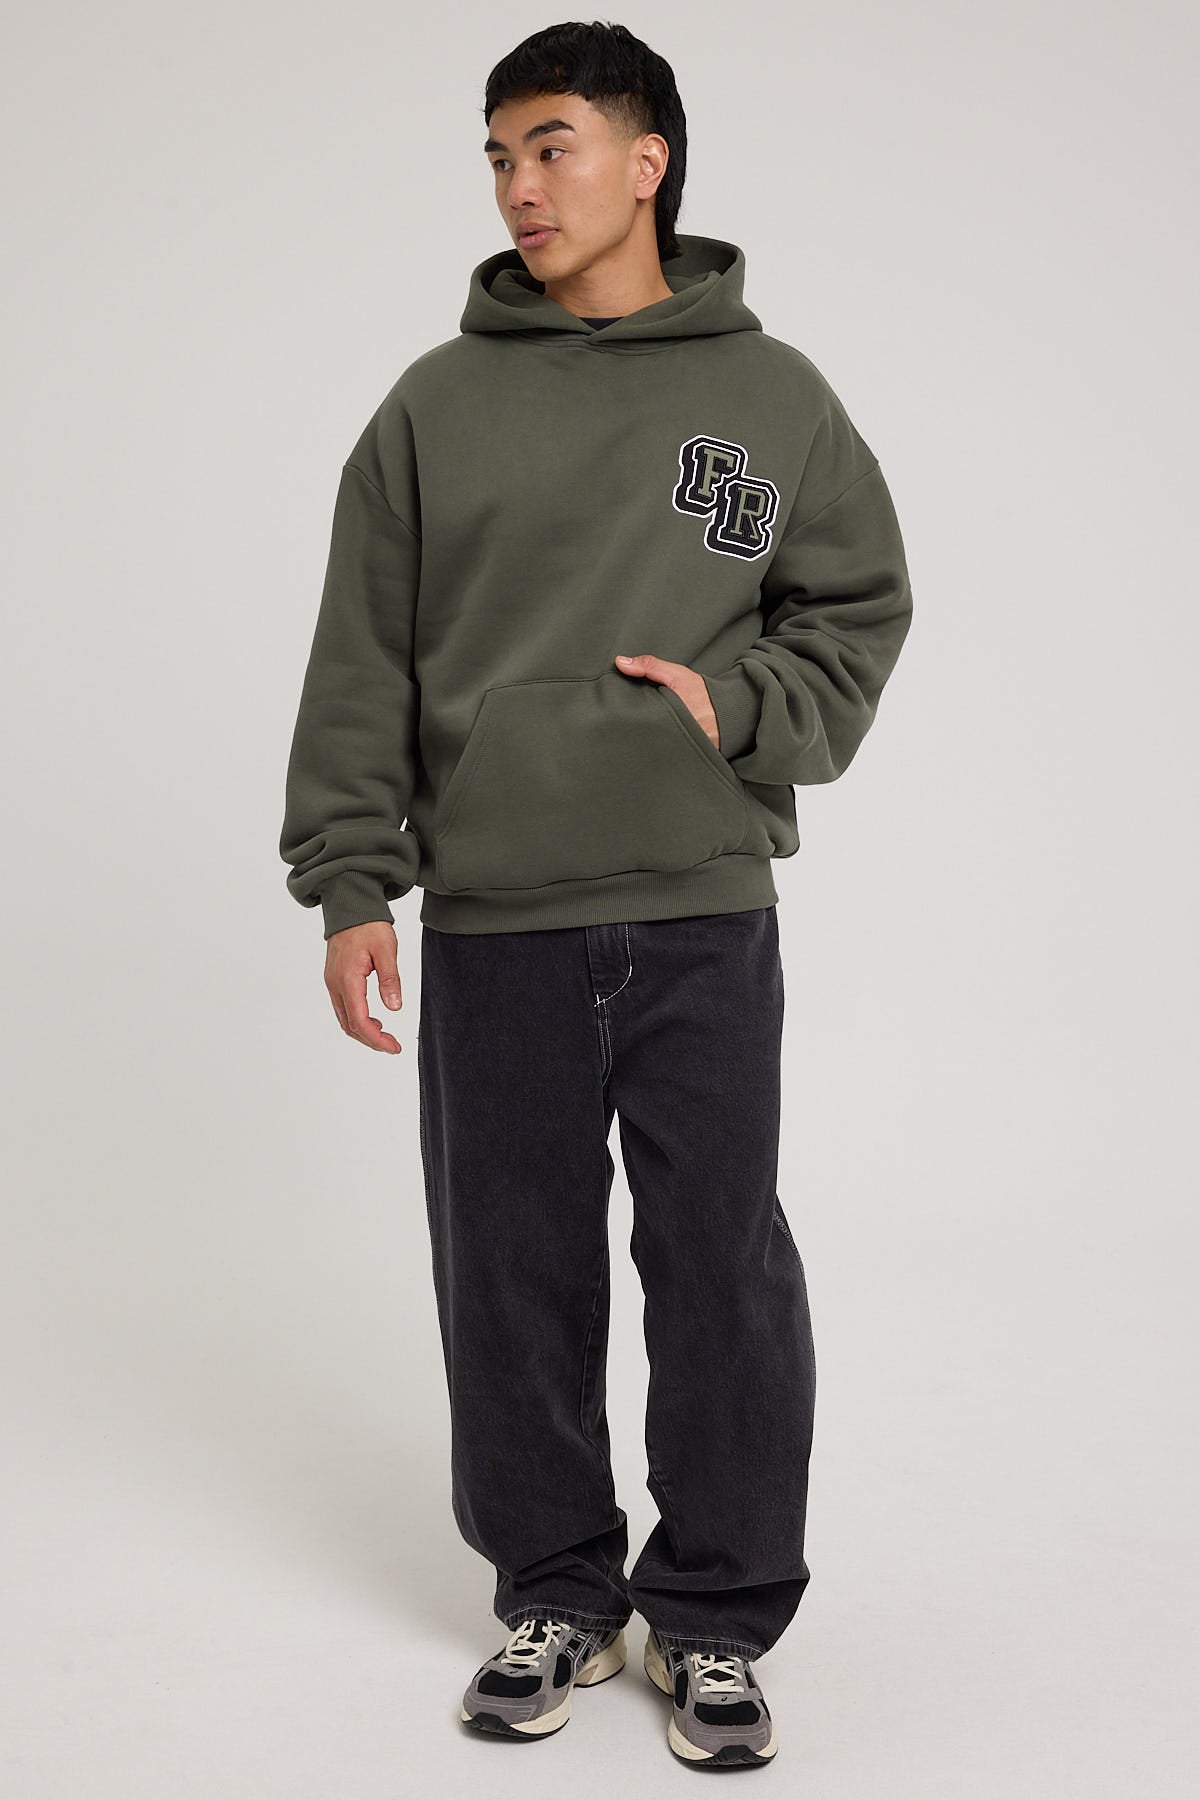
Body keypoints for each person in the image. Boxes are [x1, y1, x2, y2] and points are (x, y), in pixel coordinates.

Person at [279, 20, 912, 1769]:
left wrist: (741, 707)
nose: (518, 186)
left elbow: (856, 605)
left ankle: (714, 1616)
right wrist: (350, 881)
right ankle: (556, 1591)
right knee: (511, 1272)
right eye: (497, 156)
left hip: (704, 907)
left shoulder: (773, 396)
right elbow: (362, 661)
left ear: (648, 161)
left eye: (550, 146)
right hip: (499, 919)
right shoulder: (434, 404)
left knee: (719, 1266)